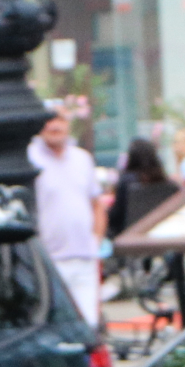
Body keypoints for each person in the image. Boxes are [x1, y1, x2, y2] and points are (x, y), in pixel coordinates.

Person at [28, 109, 109, 325]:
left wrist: (96, 241)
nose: (54, 126)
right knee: (56, 324)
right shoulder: (29, 159)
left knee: (88, 325)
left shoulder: (82, 158)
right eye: (48, 121)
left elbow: (96, 205)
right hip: (49, 259)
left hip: (84, 257)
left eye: (60, 120)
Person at [109, 137, 173, 236]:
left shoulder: (126, 181)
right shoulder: (165, 182)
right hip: (160, 233)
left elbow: (117, 215)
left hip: (129, 235)